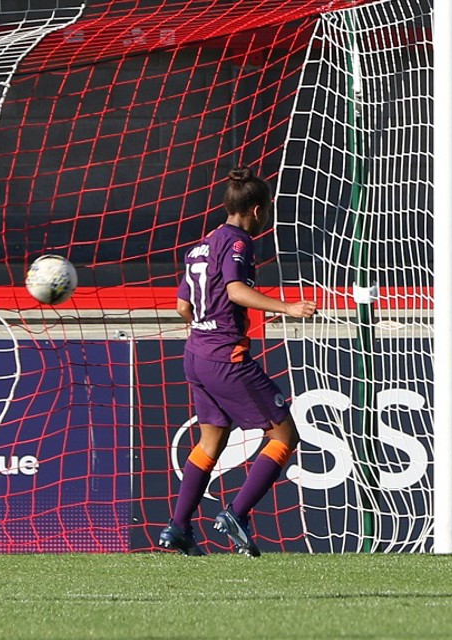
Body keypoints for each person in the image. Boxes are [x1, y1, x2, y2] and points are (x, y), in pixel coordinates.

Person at [159, 167, 317, 557]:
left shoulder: (200, 245)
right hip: (225, 357)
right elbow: (235, 289)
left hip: (195, 354)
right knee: (284, 436)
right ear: (258, 210)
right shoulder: (238, 243)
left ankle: (177, 527)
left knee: (211, 438)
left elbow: (182, 306)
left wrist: (208, 321)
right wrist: (288, 307)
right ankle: (237, 514)